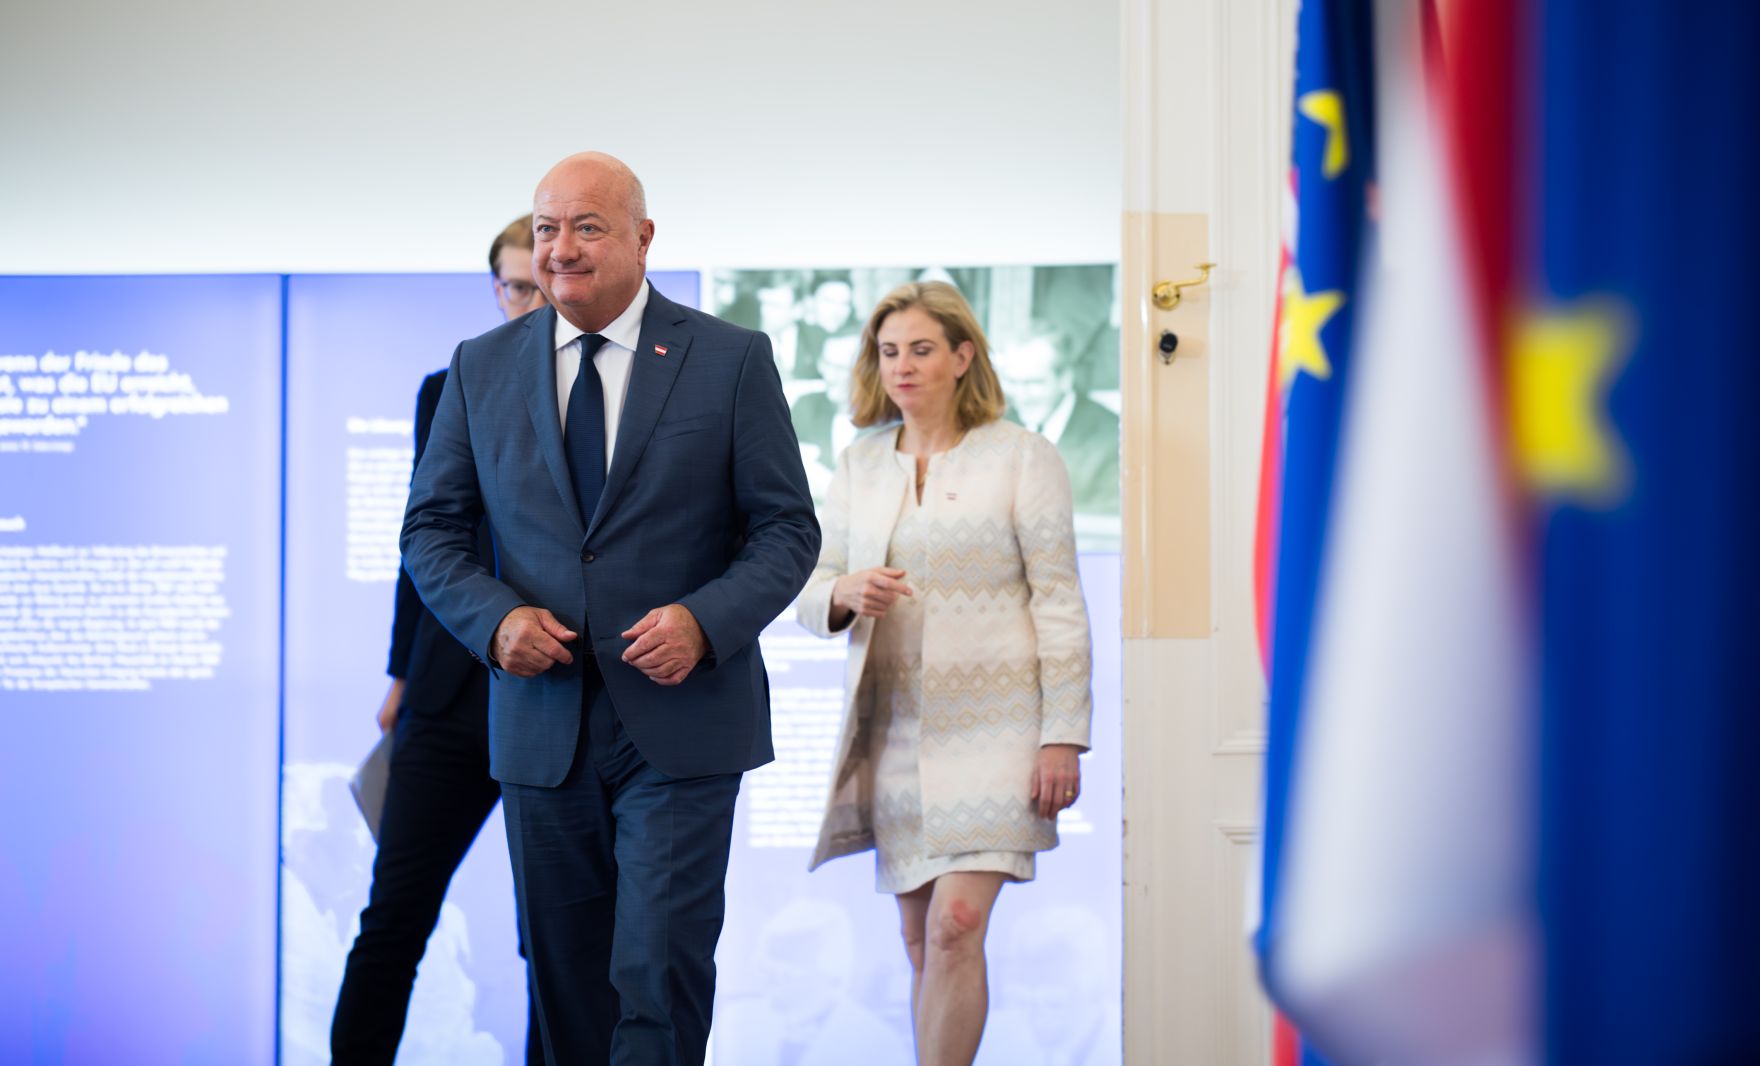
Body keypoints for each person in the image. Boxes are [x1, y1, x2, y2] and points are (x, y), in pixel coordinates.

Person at [400, 151, 819, 1065]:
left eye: (586, 227)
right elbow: (430, 532)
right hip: (542, 727)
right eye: (548, 228)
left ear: (642, 237)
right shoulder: (480, 368)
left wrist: (706, 620)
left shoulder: (729, 359)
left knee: (656, 978)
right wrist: (495, 619)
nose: (561, 249)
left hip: (681, 722)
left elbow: (787, 531)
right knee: (568, 988)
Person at [795, 281, 1093, 1066]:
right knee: (919, 936)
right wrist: (844, 592)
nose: (902, 366)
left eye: (921, 349)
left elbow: (1059, 601)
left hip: (1000, 732)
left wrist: (1063, 735)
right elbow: (810, 584)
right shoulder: (858, 465)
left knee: (957, 924)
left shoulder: (1024, 456)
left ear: (964, 356)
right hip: (895, 730)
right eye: (889, 352)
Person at [330, 213, 547, 1066]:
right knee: (393, 919)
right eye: (514, 284)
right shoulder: (450, 385)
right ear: (496, 289)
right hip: (448, 695)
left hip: (557, 699)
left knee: (552, 939)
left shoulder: (613, 394)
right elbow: (425, 540)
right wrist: (398, 677)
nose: (527, 299)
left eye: (541, 283)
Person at [995, 321, 1120, 518]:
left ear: (1065, 378)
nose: (1021, 396)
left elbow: (1107, 525)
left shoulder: (1111, 438)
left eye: (1033, 383)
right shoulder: (994, 426)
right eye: (1013, 382)